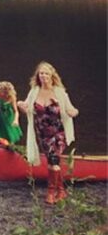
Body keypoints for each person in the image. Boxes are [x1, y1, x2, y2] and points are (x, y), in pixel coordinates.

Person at [17, 61, 79, 204]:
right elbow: (28, 108)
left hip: (58, 132)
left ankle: (51, 192)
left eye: (46, 73)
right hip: (42, 133)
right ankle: (61, 190)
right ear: (38, 76)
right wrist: (21, 105)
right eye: (41, 73)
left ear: (52, 75)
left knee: (53, 160)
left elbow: (72, 109)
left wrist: (72, 112)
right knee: (51, 162)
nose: (43, 75)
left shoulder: (59, 92)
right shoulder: (34, 91)